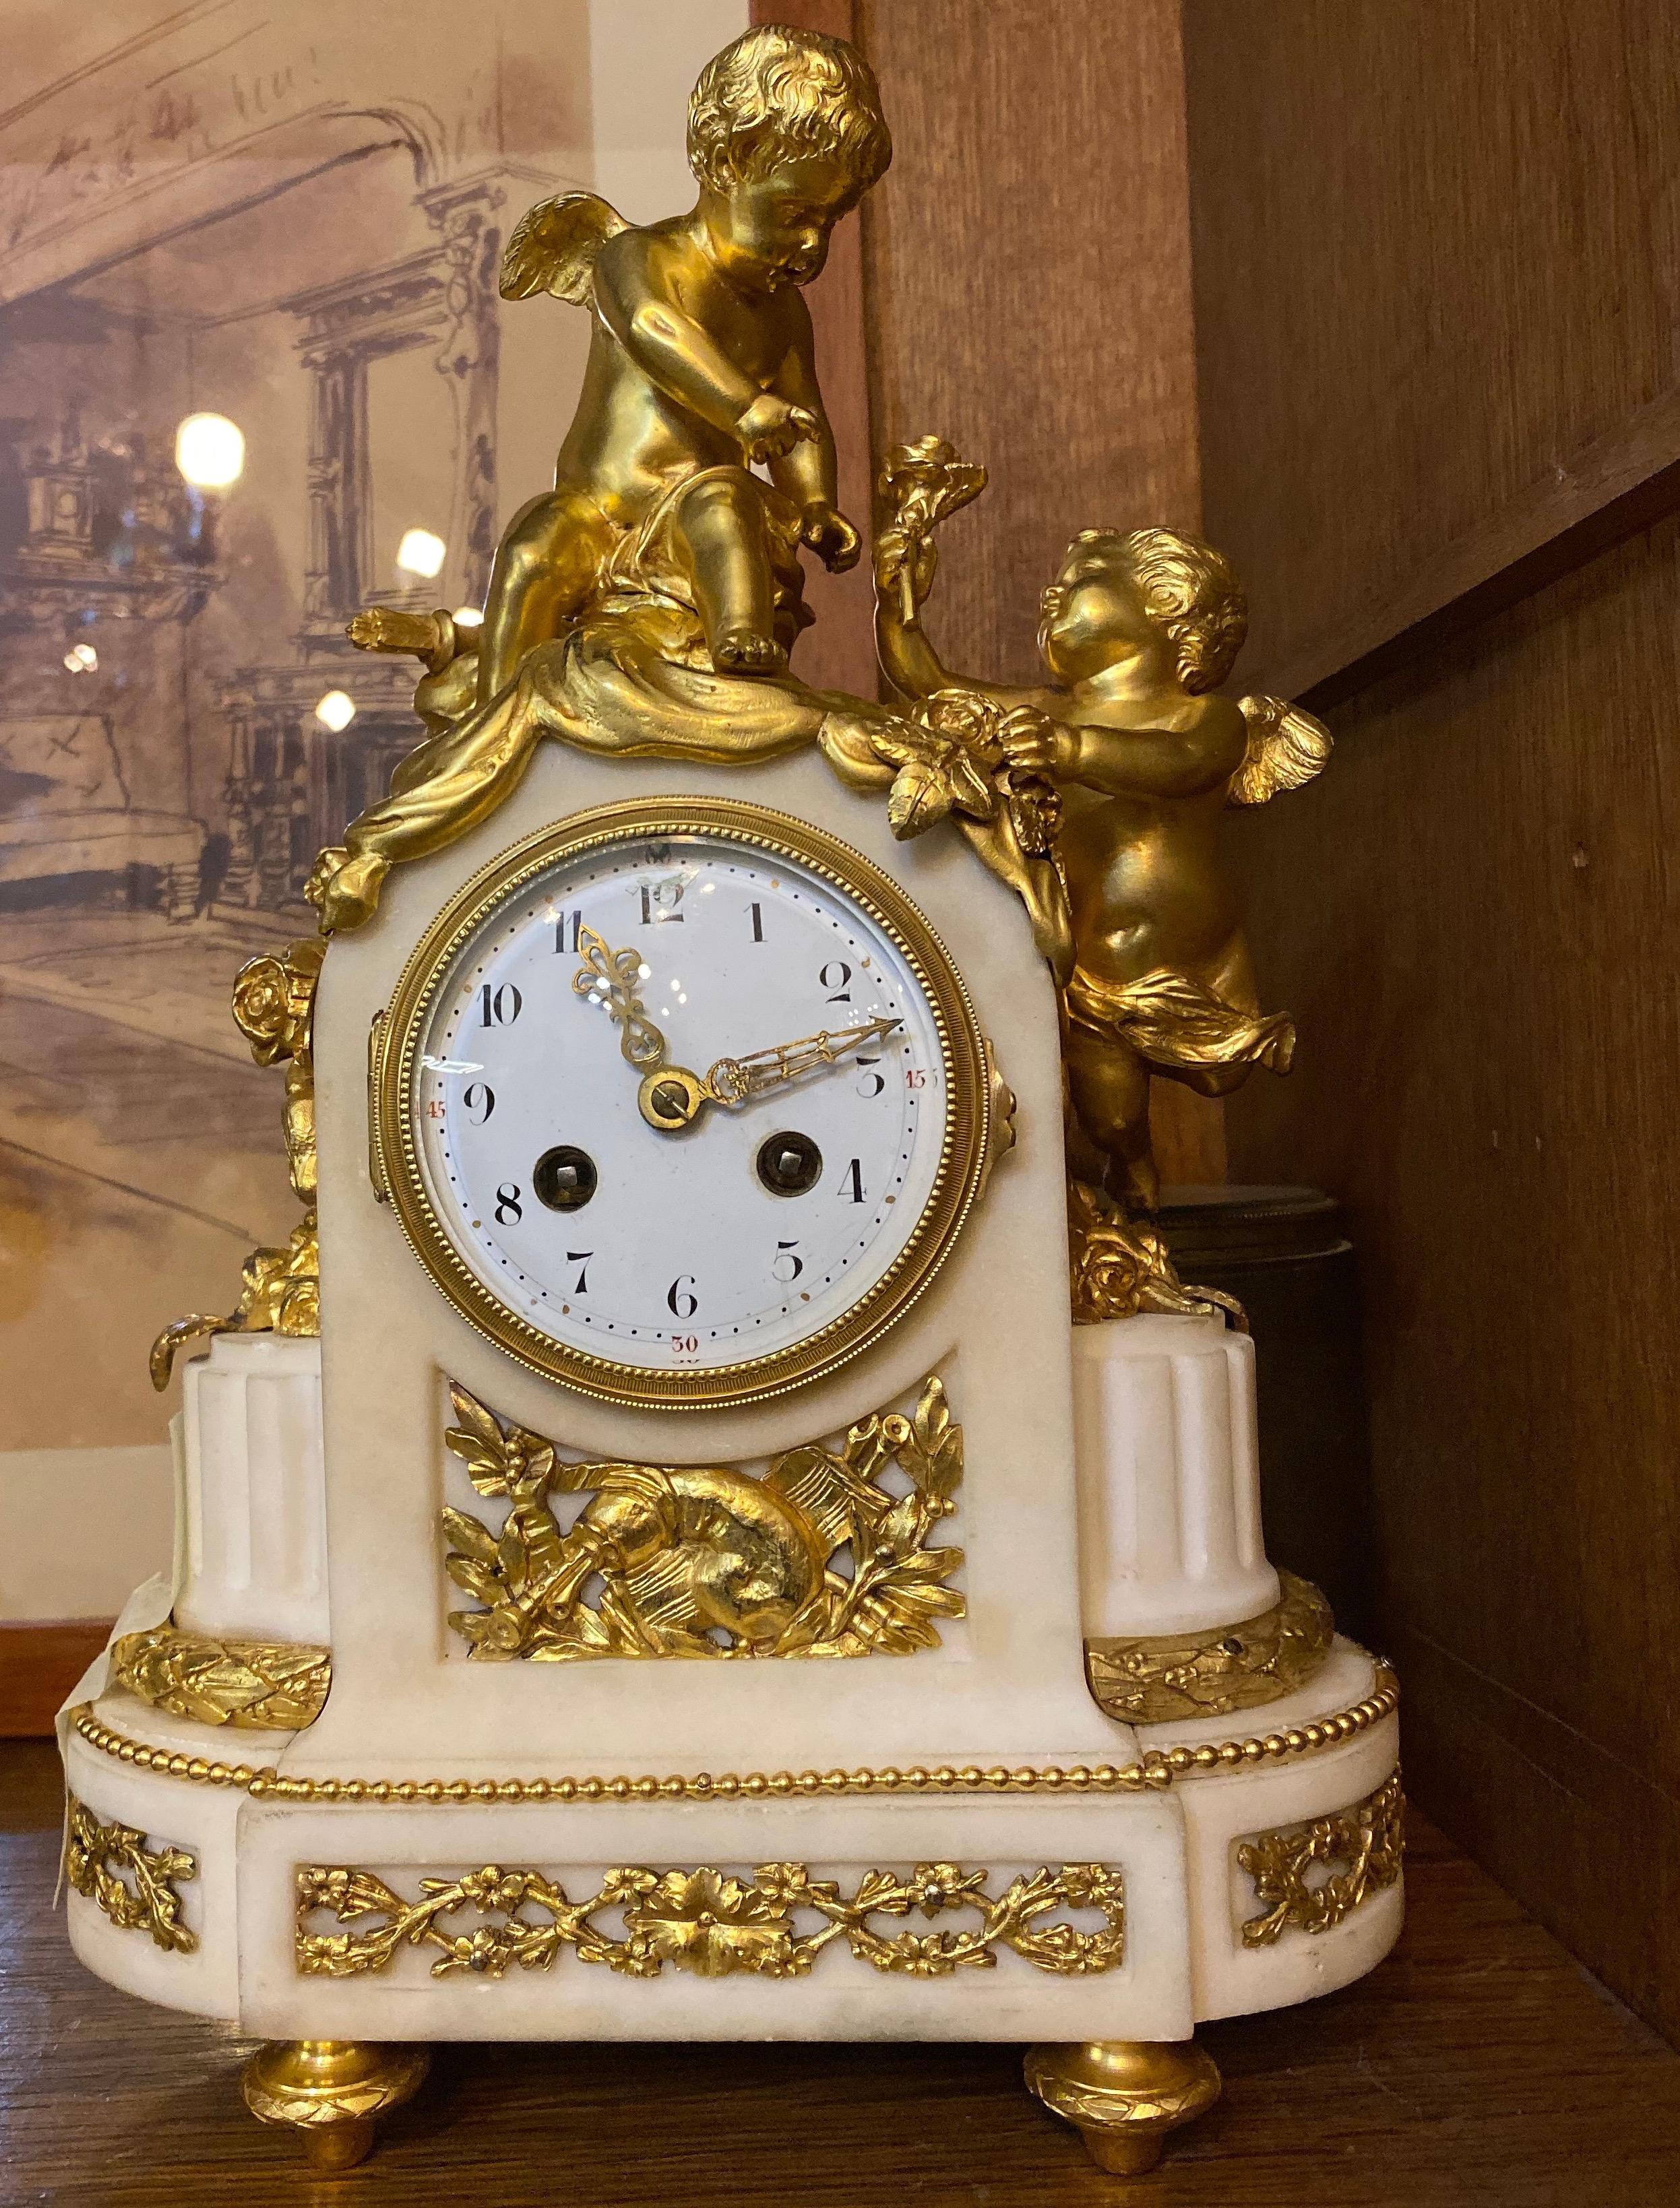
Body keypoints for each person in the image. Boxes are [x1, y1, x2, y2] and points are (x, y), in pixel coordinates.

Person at [876, 520, 1328, 1216]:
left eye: (1081, 580)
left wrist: (1073, 747)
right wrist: (896, 593)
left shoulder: (1205, 719)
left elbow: (1181, 769)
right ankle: (1130, 1183)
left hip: (1186, 965)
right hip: (1085, 972)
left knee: (1197, 1085)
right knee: (1109, 1119)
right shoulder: (1044, 711)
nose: (1051, 594)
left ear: (1168, 605)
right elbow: (925, 684)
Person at [474, 22, 891, 703]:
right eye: (794, 213)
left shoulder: (783, 312)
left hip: (693, 504)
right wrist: (743, 406)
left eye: (832, 221)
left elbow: (807, 414)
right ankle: (493, 713)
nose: (812, 243)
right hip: (597, 510)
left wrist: (815, 502)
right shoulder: (637, 258)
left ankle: (737, 654)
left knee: (726, 506)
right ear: (728, 162)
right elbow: (652, 327)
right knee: (529, 550)